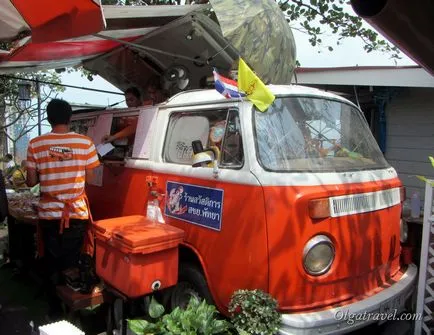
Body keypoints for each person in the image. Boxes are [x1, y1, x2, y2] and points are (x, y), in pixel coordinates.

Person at [26, 98, 100, 318]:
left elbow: (31, 182)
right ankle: (73, 310)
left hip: (49, 214)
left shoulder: (35, 144)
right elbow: (91, 177)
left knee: (51, 261)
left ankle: (54, 310)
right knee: (72, 262)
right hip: (76, 213)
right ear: (70, 118)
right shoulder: (85, 143)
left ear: (48, 118)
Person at [102, 78, 167, 144]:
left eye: (154, 92)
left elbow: (137, 125)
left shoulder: (148, 106)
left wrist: (114, 137)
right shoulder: (145, 107)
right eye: (150, 93)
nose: (152, 96)